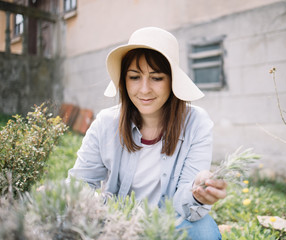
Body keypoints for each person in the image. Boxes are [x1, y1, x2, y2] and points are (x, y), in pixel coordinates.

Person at [68, 27, 227, 240]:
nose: (144, 89)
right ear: (124, 81)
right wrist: (62, 198)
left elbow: (185, 203)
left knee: (204, 231)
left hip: (169, 223)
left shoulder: (196, 123)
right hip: (116, 224)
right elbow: (81, 183)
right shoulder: (105, 123)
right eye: (134, 77)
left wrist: (198, 193)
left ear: (172, 81)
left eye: (156, 77)